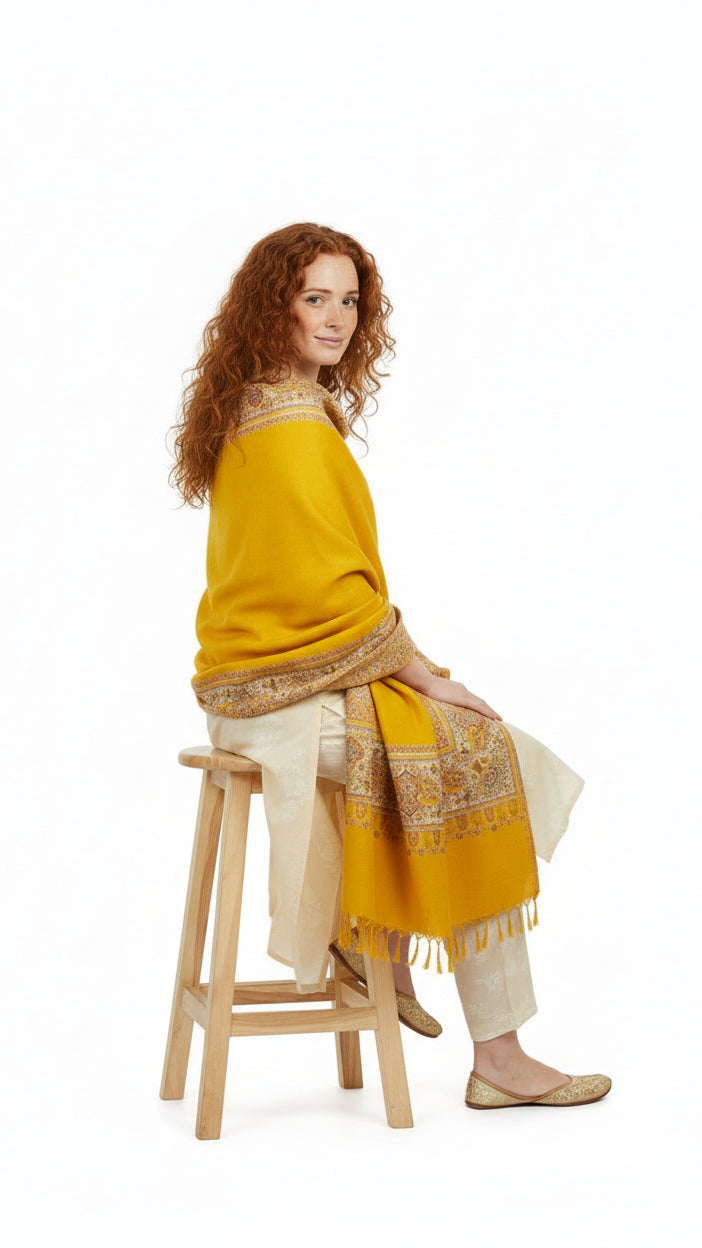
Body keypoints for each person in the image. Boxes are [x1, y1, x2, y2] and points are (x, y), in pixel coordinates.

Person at [168, 222, 611, 1110]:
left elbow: (320, 594)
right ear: (274, 307)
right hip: (281, 701)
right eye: (313, 298)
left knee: (466, 750)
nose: (336, 318)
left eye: (349, 300)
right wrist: (419, 672)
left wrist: (402, 667)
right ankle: (488, 1044)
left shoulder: (262, 403)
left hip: (264, 685)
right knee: (479, 755)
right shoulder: (289, 426)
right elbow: (321, 594)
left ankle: (378, 946)